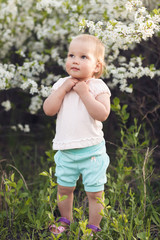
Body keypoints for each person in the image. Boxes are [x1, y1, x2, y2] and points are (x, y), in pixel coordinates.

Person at [43, 34, 111, 235]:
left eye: (83, 57)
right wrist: (63, 89)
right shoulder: (61, 84)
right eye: (71, 54)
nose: (75, 60)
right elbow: (49, 109)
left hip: (92, 151)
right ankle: (65, 220)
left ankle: (93, 227)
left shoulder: (98, 86)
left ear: (97, 66)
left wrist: (84, 93)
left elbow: (103, 114)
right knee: (64, 189)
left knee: (94, 192)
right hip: (66, 151)